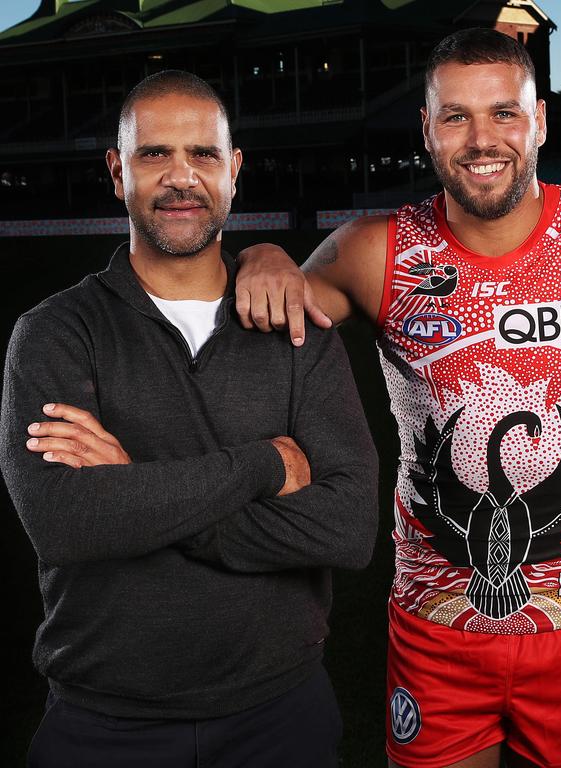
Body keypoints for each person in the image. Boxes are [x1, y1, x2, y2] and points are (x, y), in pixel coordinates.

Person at [234, 27, 561, 768]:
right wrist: (264, 254)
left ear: (539, 119)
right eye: (456, 116)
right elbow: (274, 309)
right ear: (426, 128)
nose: (482, 139)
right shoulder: (376, 250)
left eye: (504, 113)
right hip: (435, 627)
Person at [0, 70, 378, 768]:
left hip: (281, 717)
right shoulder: (55, 333)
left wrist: (132, 486)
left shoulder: (299, 328)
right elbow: (69, 523)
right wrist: (265, 464)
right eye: (154, 155)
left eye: (203, 155)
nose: (181, 177)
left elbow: (349, 526)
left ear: (234, 172)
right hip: (104, 724)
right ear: (117, 173)